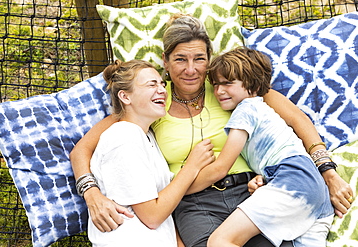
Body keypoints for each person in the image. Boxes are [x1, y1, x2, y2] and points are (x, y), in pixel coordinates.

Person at [70, 14, 353, 247]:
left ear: (210, 59)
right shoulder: (152, 100)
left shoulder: (230, 88)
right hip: (195, 205)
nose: (190, 70)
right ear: (165, 61)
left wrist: (327, 172)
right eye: (180, 59)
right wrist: (92, 193)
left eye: (199, 59)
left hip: (249, 191)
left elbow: (298, 120)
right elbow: (83, 148)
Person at [205, 47, 335, 247]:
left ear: (253, 86)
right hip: (317, 190)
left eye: (227, 83)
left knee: (220, 241)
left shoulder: (246, 109)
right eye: (215, 85)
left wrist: (176, 189)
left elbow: (222, 166)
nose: (219, 91)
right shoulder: (264, 110)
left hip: (293, 180)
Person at [85, 59, 214, 246]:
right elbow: (152, 216)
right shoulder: (123, 137)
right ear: (125, 97)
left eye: (162, 84)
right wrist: (192, 167)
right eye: (151, 85)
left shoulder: (145, 136)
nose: (162, 89)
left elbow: (164, 205)